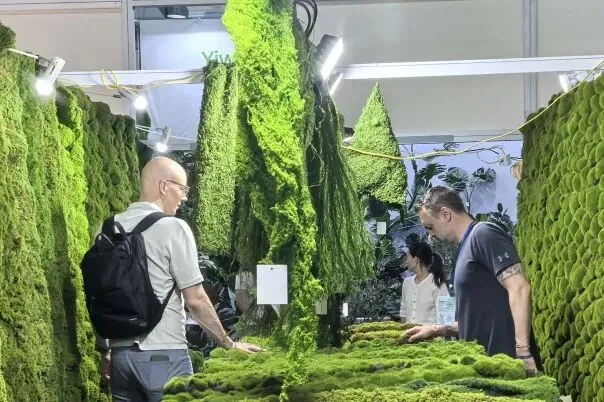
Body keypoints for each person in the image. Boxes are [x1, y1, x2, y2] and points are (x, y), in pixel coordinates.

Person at [105, 156, 261, 401]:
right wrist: (229, 343)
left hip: (119, 358)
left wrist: (105, 348)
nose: (185, 197)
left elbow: (101, 293)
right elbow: (196, 300)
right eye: (182, 188)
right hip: (163, 356)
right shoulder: (172, 227)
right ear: (164, 186)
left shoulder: (107, 229)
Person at [403, 186, 540, 374]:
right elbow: (476, 318)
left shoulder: (484, 234)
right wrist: (436, 329)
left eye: (430, 227)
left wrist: (522, 352)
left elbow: (519, 287)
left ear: (445, 214)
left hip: (507, 364)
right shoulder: (465, 248)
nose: (431, 235)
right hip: (485, 365)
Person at [399, 241, 450, 324]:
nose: (406, 261)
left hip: (431, 332)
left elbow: (446, 317)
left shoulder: (438, 283)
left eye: (407, 257)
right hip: (408, 332)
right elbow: (403, 311)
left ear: (416, 260)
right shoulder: (406, 283)